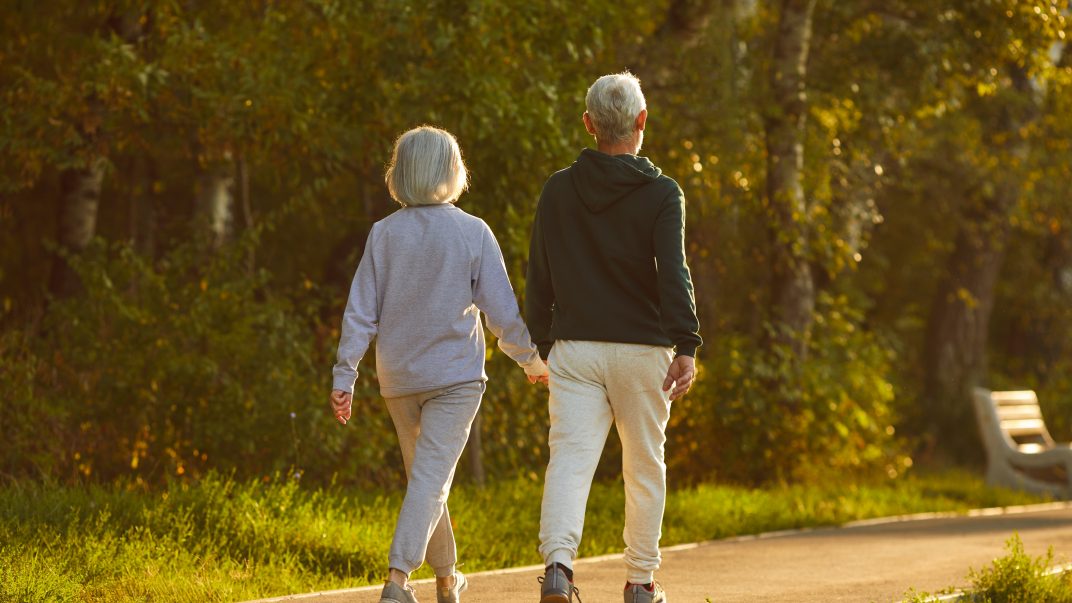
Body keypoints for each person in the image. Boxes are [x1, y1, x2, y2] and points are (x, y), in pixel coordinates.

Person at [330, 126, 549, 603]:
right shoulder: (473, 231)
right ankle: (397, 580)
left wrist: (346, 373)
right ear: (452, 171)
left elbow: (360, 310)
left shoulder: (384, 234)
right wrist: (532, 360)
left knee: (427, 479)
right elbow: (502, 313)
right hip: (455, 378)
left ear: (401, 173)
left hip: (399, 378)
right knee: (430, 479)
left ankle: (448, 580)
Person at [526, 72, 702, 603]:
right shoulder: (662, 193)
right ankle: (640, 583)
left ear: (589, 124)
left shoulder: (558, 188)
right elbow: (674, 271)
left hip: (575, 349)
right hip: (643, 349)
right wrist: (687, 345)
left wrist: (541, 346)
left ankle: (558, 568)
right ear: (641, 122)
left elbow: (540, 272)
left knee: (570, 459)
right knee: (644, 465)